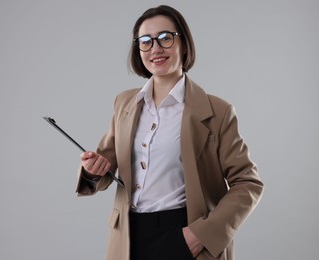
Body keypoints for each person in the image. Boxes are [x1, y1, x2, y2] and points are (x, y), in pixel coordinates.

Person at [76, 5, 263, 260]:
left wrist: (201, 235)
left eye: (165, 38)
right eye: (146, 41)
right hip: (128, 238)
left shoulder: (218, 111)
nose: (155, 48)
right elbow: (106, 164)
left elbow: (248, 183)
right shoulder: (124, 103)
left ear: (183, 44)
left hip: (184, 234)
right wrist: (92, 171)